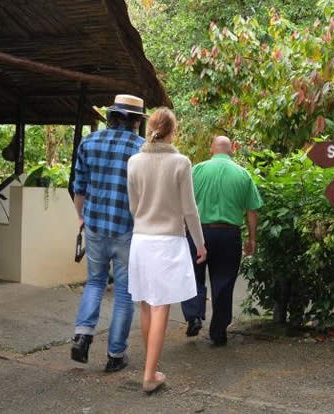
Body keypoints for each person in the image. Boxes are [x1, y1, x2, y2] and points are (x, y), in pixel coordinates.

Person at [127, 107, 207, 393]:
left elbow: (133, 206)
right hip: (167, 241)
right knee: (161, 305)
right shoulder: (180, 162)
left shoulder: (134, 161)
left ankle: (152, 366)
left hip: (141, 240)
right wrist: (199, 242)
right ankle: (149, 375)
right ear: (173, 131)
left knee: (147, 305)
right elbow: (189, 209)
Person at [71, 94, 146, 373]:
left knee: (95, 282)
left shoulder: (89, 142)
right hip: (128, 229)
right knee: (125, 293)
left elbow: (80, 187)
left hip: (95, 226)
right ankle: (115, 355)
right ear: (136, 121)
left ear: (112, 116)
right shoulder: (142, 148)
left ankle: (82, 335)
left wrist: (81, 218)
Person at [181, 135, 263, 346]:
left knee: (193, 275)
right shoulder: (243, 174)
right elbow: (252, 211)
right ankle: (218, 332)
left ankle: (194, 315)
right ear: (231, 150)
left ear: (211, 149)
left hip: (198, 233)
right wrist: (252, 239)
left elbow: (184, 203)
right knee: (224, 282)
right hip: (229, 235)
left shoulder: (197, 170)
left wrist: (182, 228)